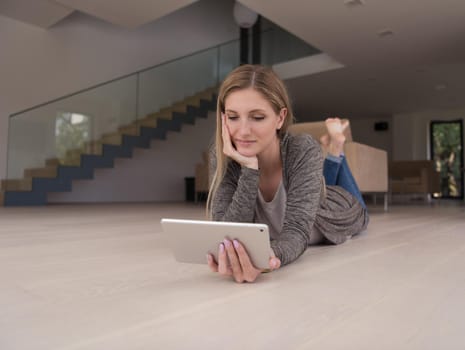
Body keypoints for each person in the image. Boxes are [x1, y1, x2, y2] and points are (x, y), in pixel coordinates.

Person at [206, 64, 369, 283]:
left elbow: (297, 231)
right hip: (311, 193)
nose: (243, 131)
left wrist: (269, 257)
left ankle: (337, 149)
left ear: (280, 118)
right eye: (233, 117)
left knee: (350, 205)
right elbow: (227, 233)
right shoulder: (224, 155)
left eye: (257, 117)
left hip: (339, 210)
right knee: (318, 187)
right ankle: (333, 151)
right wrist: (249, 168)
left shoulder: (301, 148)